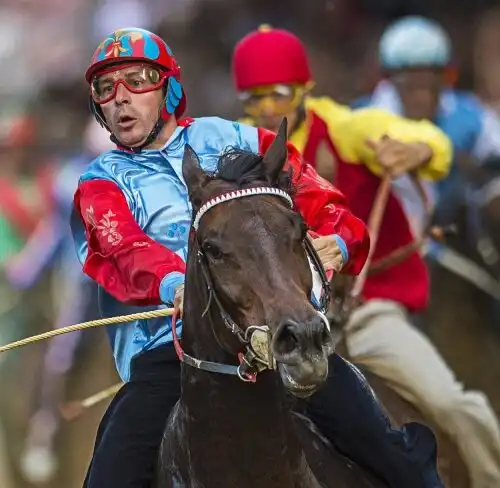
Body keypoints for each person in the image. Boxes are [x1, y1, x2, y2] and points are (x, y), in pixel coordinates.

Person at [72, 27, 445, 488]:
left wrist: (341, 242)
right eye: (106, 88)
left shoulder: (236, 137)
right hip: (174, 360)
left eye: (137, 80)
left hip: (283, 335)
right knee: (110, 474)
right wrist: (176, 284)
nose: (121, 98)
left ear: (168, 88)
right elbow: (123, 249)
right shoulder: (99, 182)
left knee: (395, 456)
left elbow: (319, 202)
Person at [231, 23, 500, 488]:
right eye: (254, 99)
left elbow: (424, 140)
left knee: (454, 403)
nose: (268, 109)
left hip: (365, 308)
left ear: (304, 90)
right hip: (279, 324)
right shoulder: (237, 149)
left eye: (278, 93)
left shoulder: (347, 127)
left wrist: (416, 147)